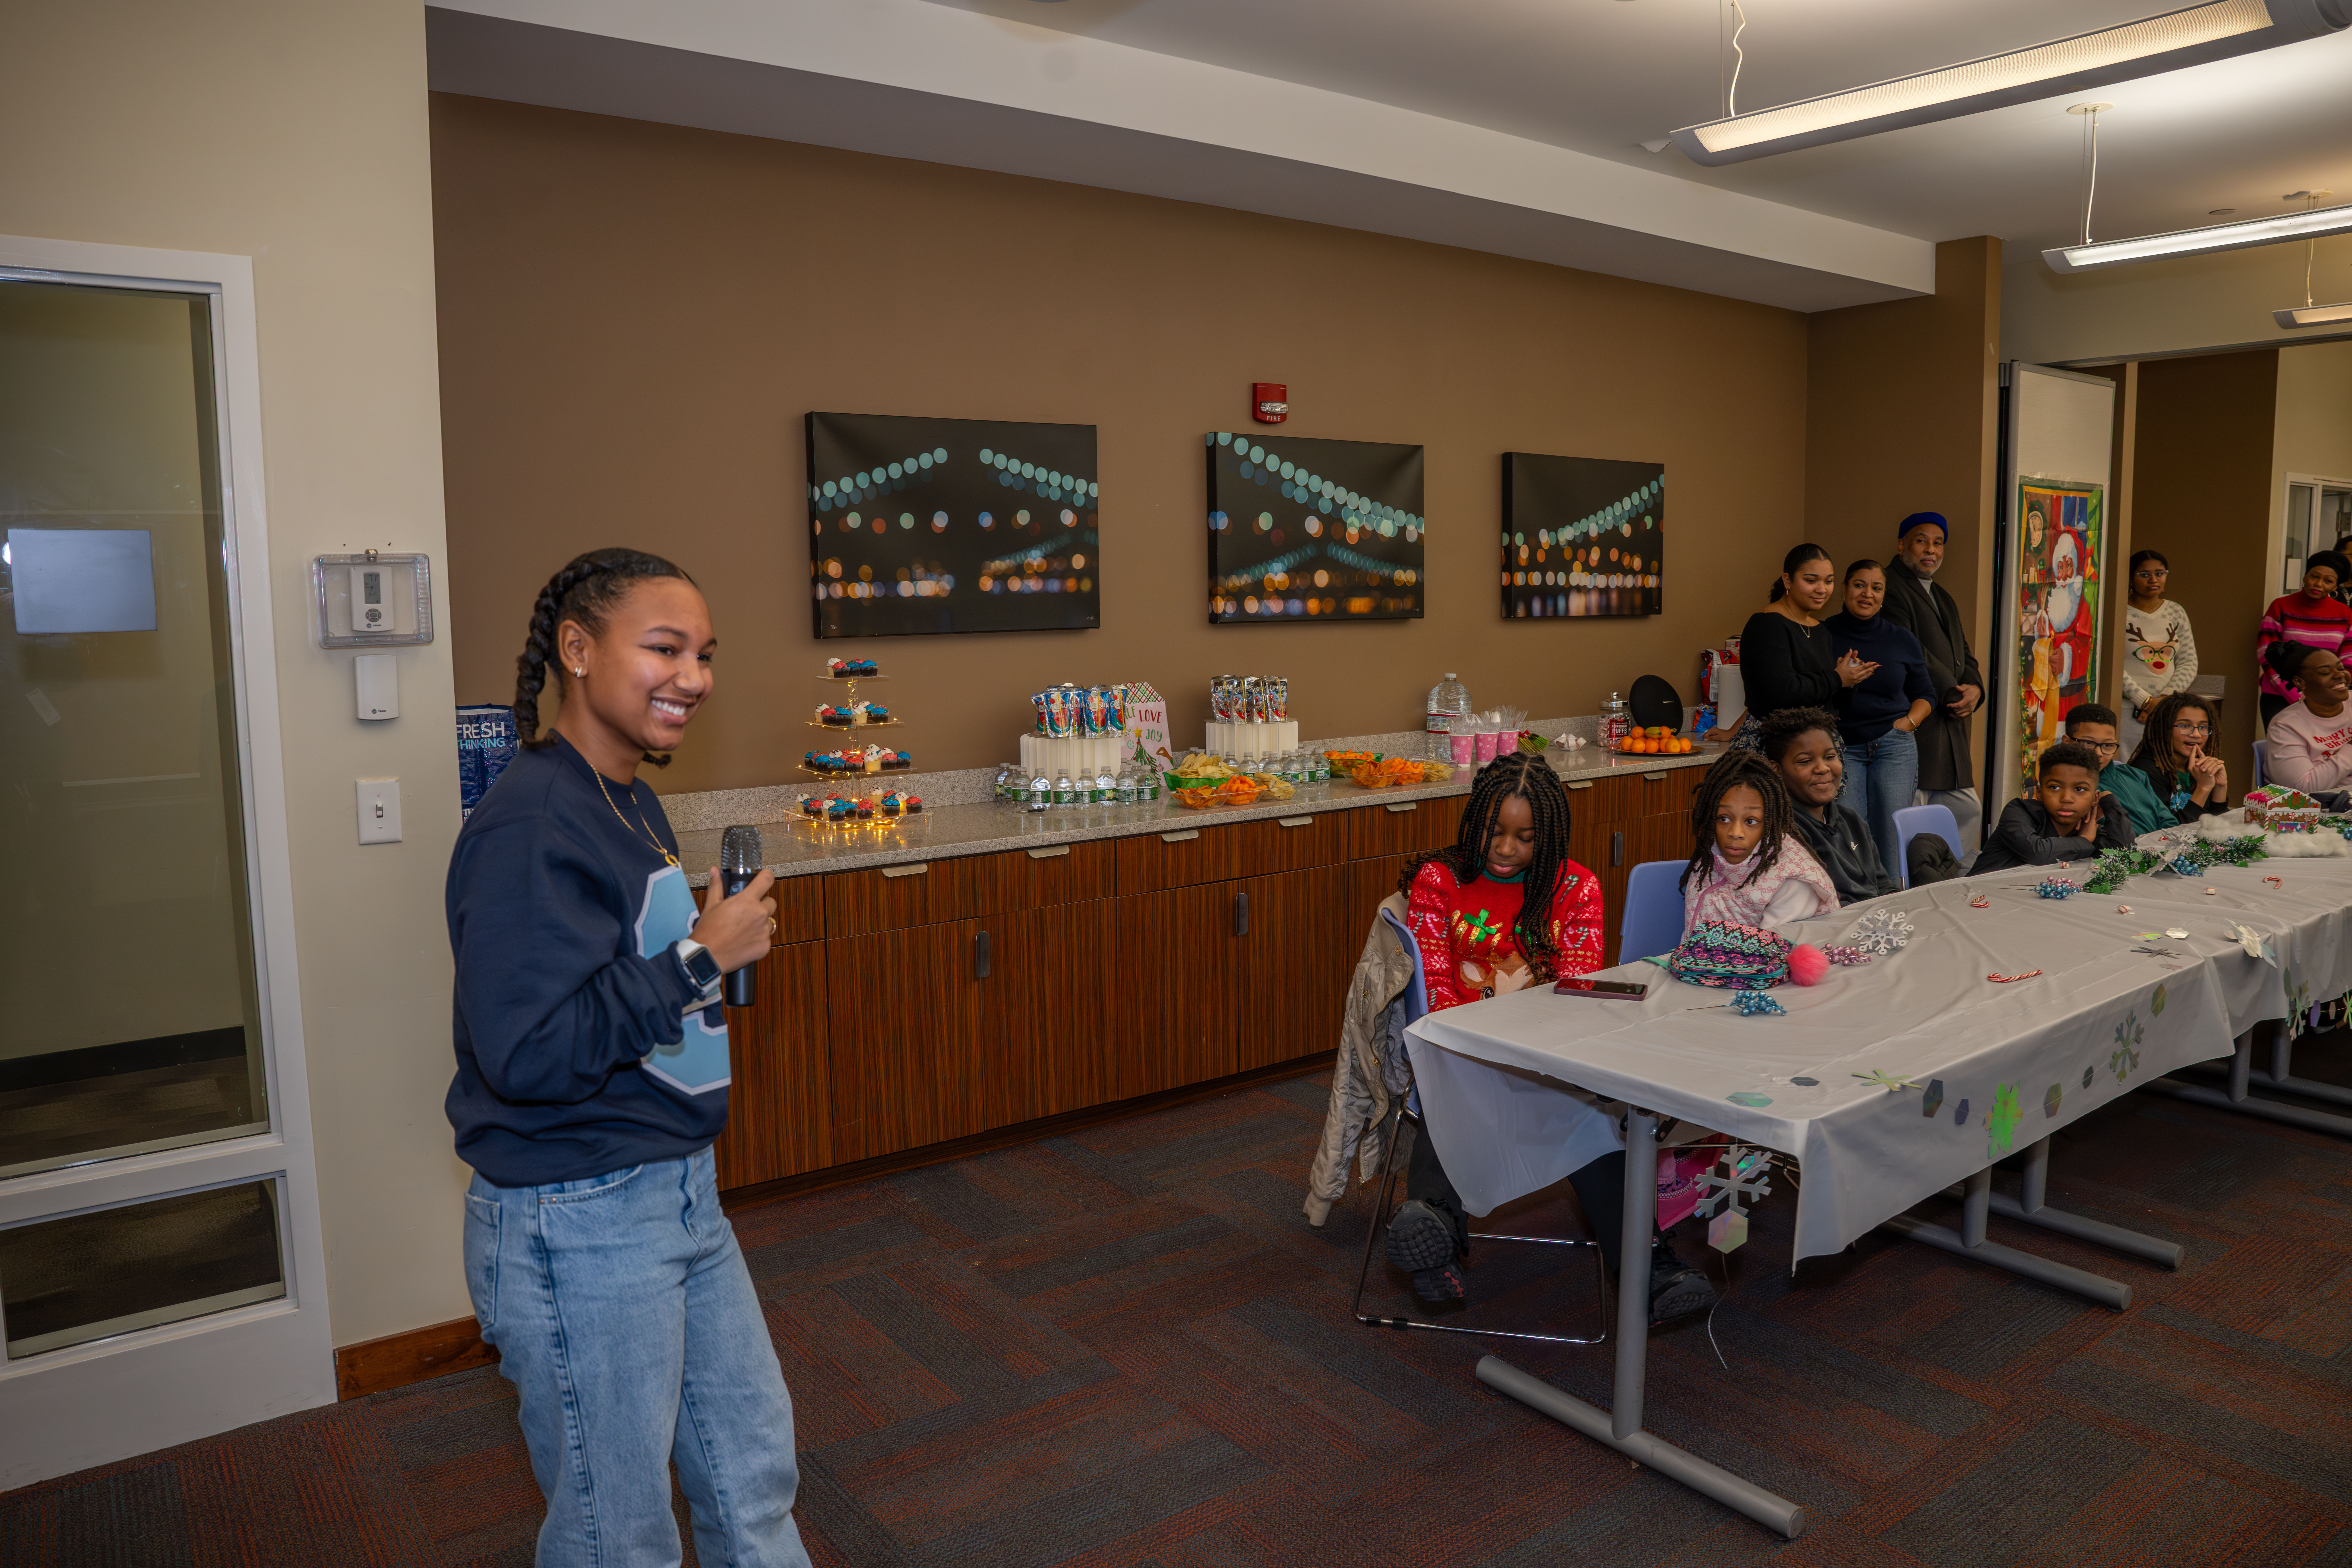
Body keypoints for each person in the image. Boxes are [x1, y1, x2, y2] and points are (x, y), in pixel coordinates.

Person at [447, 549, 813, 1568]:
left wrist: (688, 946)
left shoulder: (629, 799)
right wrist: (703, 956)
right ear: (578, 649)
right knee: (620, 1536)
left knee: (751, 1480)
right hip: (581, 1216)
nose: (693, 676)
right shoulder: (528, 825)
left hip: (677, 1192)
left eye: (703, 653)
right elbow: (526, 1052)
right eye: (664, 648)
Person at [1386, 752, 1716, 1322]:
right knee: (1455, 1080)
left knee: (1589, 1116)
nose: (1508, 848)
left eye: (1526, 837)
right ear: (1475, 823)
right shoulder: (1440, 880)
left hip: (1547, 1053)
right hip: (1463, 1048)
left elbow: (1576, 991)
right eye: (1495, 832)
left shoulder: (1577, 888)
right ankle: (1436, 1229)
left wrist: (1532, 1053)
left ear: (1551, 837)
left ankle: (1651, 1271)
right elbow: (1437, 993)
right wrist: (1488, 1045)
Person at [1878, 511, 1986, 860]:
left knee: (1966, 811)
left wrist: (1976, 688)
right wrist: (1955, 692)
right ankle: (1916, 888)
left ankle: (1953, 882)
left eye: (1938, 543)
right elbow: (1912, 651)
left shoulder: (1941, 594)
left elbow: (1964, 654)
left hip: (1951, 724)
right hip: (1919, 721)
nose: (1931, 550)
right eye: (1922, 540)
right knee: (1913, 818)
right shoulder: (1889, 587)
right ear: (1902, 545)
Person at [1823, 559, 1934, 878]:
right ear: (1844, 589)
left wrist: (1908, 725)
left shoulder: (1901, 638)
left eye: (1876, 587)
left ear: (1884, 595)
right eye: (1859, 585)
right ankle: (1856, 906)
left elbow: (1927, 694)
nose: (1867, 594)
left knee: (1892, 833)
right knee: (1850, 833)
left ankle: (1894, 907)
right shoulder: (1823, 634)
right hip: (1844, 747)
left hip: (1894, 745)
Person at [1678, 751, 1838, 936]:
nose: (1735, 833)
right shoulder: (1706, 865)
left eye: (1751, 821)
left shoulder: (1794, 883)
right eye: (1724, 819)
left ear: (1770, 823)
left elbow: (1772, 953)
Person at [1731, 544, 1875, 750]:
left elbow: (1827, 700)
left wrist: (1849, 678)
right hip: (1776, 746)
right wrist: (1836, 678)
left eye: (1829, 581)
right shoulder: (1767, 624)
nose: (1822, 589)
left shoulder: (1820, 630)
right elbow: (1783, 693)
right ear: (1788, 581)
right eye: (1811, 581)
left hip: (1818, 743)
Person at [1762, 707, 1895, 904]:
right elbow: (1816, 909)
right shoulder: (1784, 834)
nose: (1823, 768)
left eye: (1830, 757)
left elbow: (1882, 884)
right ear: (1777, 770)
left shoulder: (1852, 820)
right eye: (1806, 761)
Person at [1971, 740, 2137, 873]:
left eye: (2080, 789)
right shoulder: (2019, 811)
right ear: (2039, 793)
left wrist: (2109, 801)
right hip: (1975, 898)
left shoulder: (2085, 825)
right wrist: (2084, 841)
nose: (2066, 799)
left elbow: (2123, 853)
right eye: (2055, 788)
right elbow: (2038, 854)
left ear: (2094, 799)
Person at [2257, 550, 2352, 727]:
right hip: (2280, 696)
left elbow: (2349, 661)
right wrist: (2297, 694)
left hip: (2326, 699)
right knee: (2281, 751)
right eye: (2314, 576)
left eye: (2328, 581)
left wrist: (2329, 692)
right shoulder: (2280, 606)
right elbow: (2266, 654)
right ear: (2305, 576)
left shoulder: (2345, 614)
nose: (2318, 584)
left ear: (2336, 586)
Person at [2119, 549, 2197, 756]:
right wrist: (2145, 702)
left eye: (2160, 573)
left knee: (2163, 768)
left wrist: (2164, 701)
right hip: (2128, 710)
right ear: (2130, 578)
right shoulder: (2119, 612)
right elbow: (2113, 665)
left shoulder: (2176, 611)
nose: (2153, 580)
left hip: (2167, 710)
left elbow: (2188, 661)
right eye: (2144, 575)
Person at [2118, 691, 2230, 828]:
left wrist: (2220, 787)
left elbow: (2217, 829)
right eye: (2185, 726)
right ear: (2163, 728)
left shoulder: (2198, 768)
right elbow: (2167, 835)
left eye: (2202, 727)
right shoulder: (2145, 772)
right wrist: (2204, 788)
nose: (2196, 734)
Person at [2061, 701, 2168, 840]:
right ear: (2067, 742)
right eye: (2088, 743)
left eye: (2107, 745)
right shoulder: (2073, 789)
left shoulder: (2135, 775)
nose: (2099, 753)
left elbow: (2167, 819)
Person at [2263, 642, 2352, 791]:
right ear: (2300, 682)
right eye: (2325, 672)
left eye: (2341, 668)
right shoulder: (2285, 726)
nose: (2340, 675)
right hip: (2325, 809)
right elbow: (2303, 789)